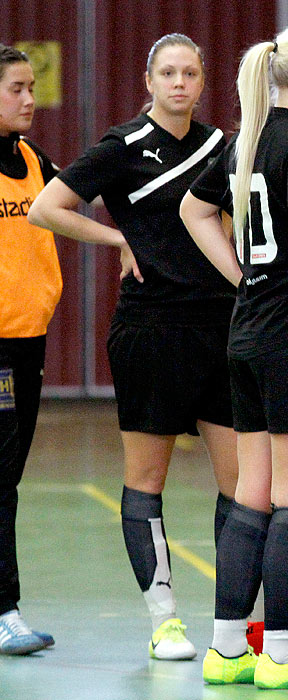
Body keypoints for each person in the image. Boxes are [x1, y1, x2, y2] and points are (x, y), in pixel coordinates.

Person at [28, 34, 238, 661]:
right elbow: (47, 208)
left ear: (203, 82)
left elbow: (228, 225)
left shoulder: (219, 148)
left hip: (220, 329)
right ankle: (164, 618)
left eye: (191, 73)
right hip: (150, 331)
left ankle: (234, 622)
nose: (180, 83)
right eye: (168, 73)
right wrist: (117, 241)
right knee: (147, 480)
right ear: (148, 80)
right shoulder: (120, 147)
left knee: (243, 485)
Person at [179, 20, 288, 689]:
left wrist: (245, 274)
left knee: (251, 493)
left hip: (245, 333)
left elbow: (194, 212)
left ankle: (227, 649)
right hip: (287, 340)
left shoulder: (247, 138)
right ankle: (281, 653)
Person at [0, 44, 60, 656]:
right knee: (0, 479)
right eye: (15, 88)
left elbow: (83, 199)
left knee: (8, 474)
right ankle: (5, 609)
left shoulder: (34, 159)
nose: (28, 99)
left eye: (30, 87)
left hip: (28, 339)